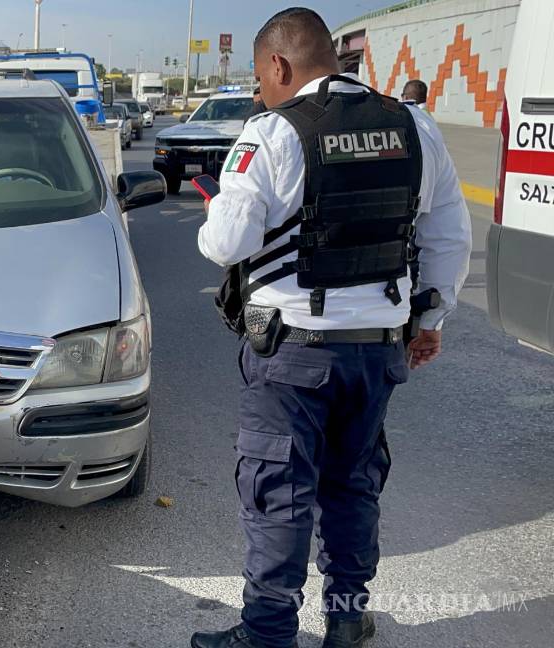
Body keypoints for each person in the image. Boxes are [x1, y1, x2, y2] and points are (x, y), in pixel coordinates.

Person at [193, 7, 471, 648]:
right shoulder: (415, 126)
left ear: (278, 64)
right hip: (378, 351)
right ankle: (347, 619)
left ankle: (268, 633)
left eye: (261, 77)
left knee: (279, 491)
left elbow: (227, 243)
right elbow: (448, 237)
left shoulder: (271, 134)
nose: (262, 90)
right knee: (353, 487)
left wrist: (217, 214)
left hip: (292, 353)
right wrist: (429, 319)